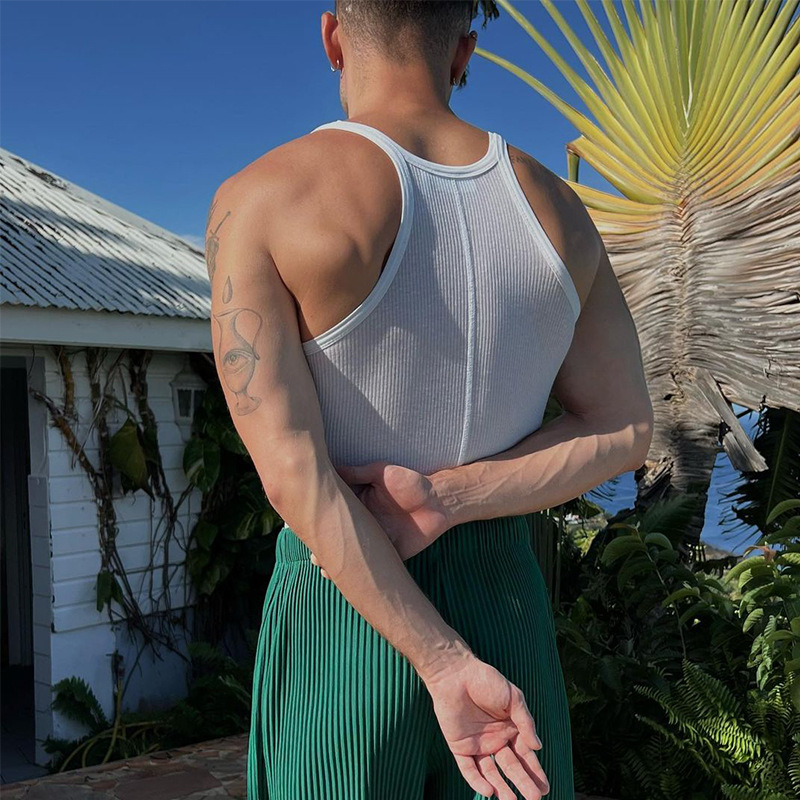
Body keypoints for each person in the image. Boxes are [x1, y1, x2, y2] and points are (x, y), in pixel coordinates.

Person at [205, 2, 653, 798]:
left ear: (333, 37)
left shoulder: (265, 196)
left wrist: (442, 664)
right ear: (463, 52)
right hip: (503, 593)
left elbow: (294, 474)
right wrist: (447, 498)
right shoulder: (560, 210)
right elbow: (625, 428)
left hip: (343, 595)